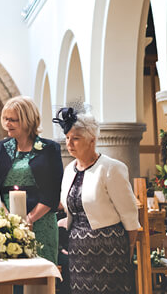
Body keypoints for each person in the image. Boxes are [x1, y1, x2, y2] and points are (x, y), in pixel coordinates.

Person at [55, 107, 140, 294]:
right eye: (67, 137)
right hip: (78, 250)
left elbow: (129, 212)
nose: (69, 143)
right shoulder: (69, 170)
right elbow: (70, 208)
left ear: (92, 140)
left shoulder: (111, 168)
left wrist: (130, 245)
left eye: (75, 138)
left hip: (109, 250)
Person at [0, 97, 63, 264]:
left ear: (28, 121)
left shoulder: (49, 149)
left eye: (13, 120)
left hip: (41, 221)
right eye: (5, 119)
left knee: (40, 278)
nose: (7, 123)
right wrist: (8, 219)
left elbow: (53, 191)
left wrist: (29, 219)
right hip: (5, 220)